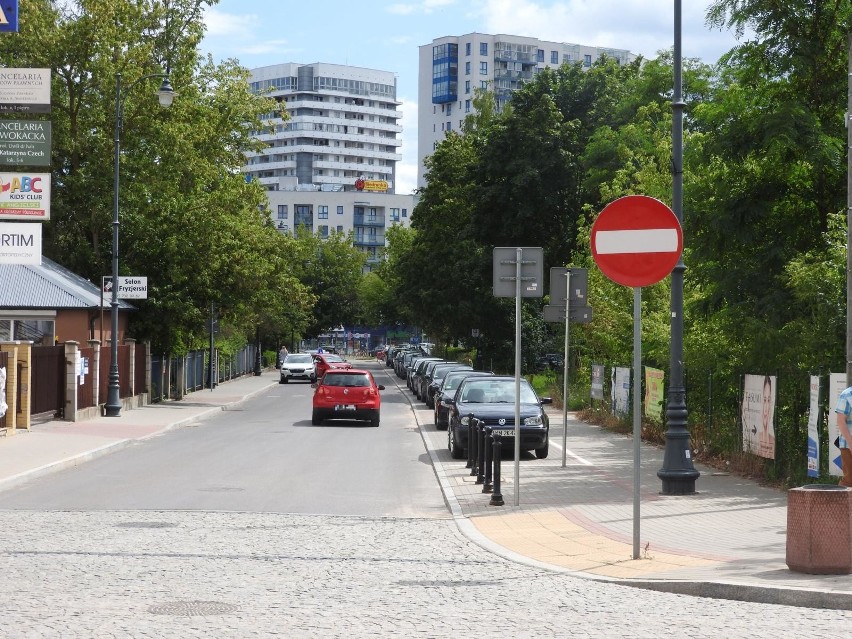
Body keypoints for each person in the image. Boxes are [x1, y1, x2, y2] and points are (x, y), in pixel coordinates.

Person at [835, 384, 852, 487]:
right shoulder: (846, 395)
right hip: (848, 446)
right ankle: (838, 503)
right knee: (849, 481)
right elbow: (841, 421)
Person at [758, 375, 775, 459]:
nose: (766, 407)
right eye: (764, 400)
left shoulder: (773, 441)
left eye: (769, 400)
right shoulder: (757, 438)